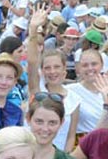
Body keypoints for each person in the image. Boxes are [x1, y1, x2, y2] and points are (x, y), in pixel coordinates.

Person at [27, 10, 81, 151]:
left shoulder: (74, 99)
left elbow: (71, 136)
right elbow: (32, 63)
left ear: (64, 70)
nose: (52, 72)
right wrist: (33, 30)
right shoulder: (37, 91)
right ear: (43, 71)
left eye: (57, 67)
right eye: (48, 68)